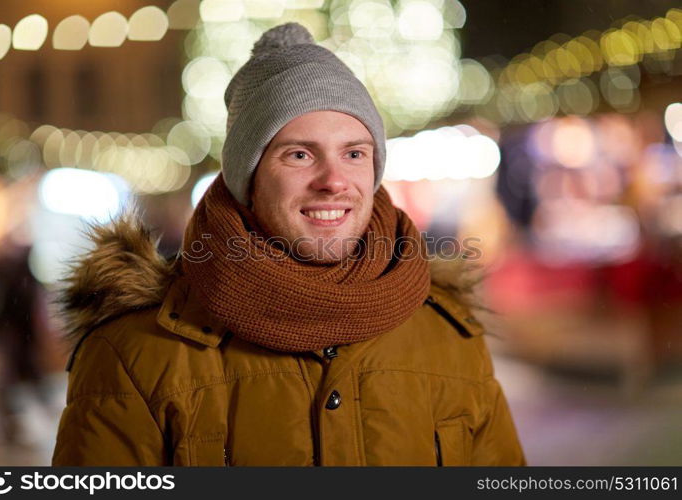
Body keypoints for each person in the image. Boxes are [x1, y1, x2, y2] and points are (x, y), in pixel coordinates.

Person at [51, 23, 525, 466]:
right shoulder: (134, 352)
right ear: (248, 179)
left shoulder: (449, 335)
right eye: (299, 154)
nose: (334, 181)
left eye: (354, 153)